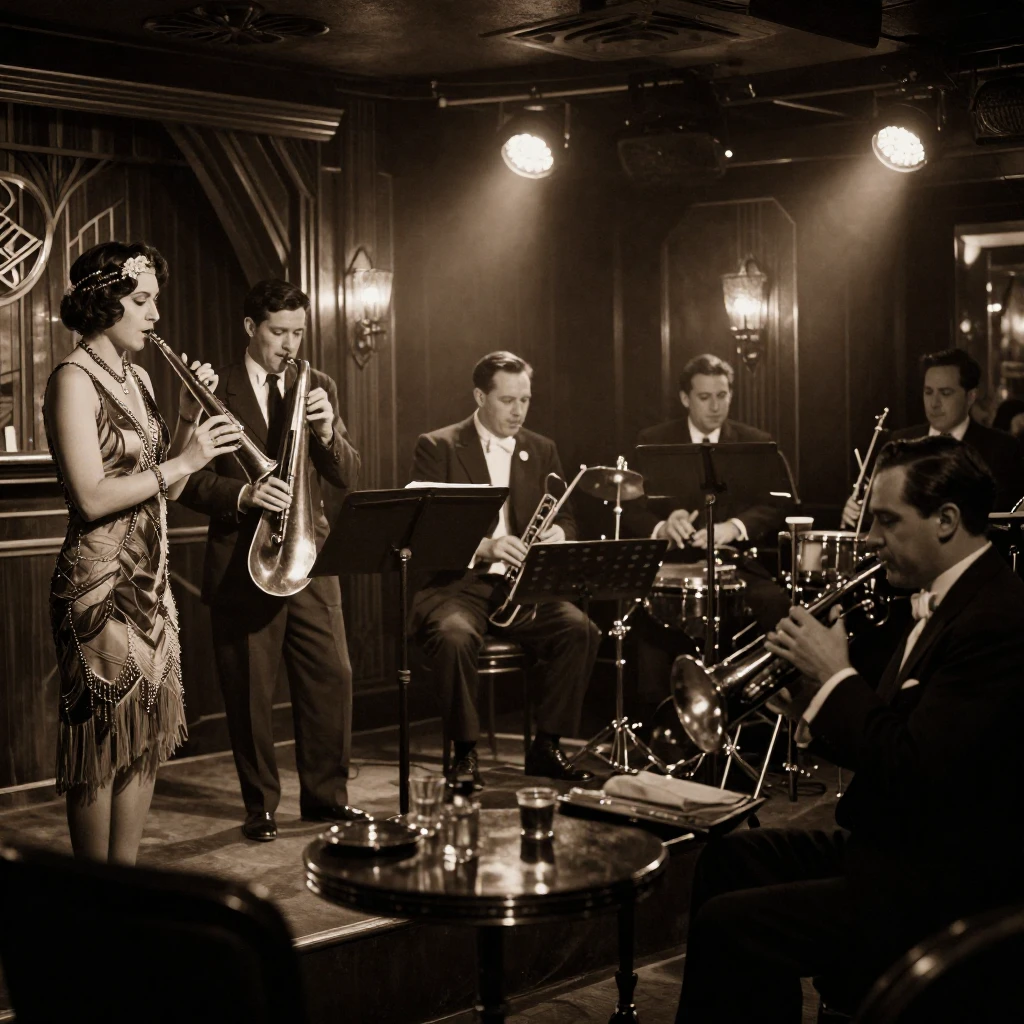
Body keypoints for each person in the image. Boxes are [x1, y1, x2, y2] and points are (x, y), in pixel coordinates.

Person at [675, 436, 1024, 1023]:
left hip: (948, 879)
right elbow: (888, 732)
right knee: (727, 861)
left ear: (946, 520)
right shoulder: (944, 598)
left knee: (729, 925)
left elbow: (913, 764)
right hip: (896, 846)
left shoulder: (997, 617)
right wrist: (810, 705)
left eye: (887, 521)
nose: (870, 539)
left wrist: (835, 677)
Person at [45, 241, 242, 863]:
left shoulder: (142, 378)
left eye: (156, 300)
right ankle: (92, 894)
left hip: (151, 584)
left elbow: (170, 489)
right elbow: (91, 497)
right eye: (142, 300)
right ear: (104, 302)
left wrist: (184, 422)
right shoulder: (72, 380)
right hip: (98, 584)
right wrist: (184, 460)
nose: (156, 314)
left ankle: (125, 883)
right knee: (100, 741)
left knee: (145, 733)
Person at [178, 279, 366, 841]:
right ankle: (260, 806)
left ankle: (327, 800)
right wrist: (243, 495)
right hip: (241, 562)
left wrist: (326, 431)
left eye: (298, 333)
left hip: (309, 560)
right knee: (249, 692)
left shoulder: (318, 384)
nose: (290, 345)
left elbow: (347, 475)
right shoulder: (214, 387)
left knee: (331, 679)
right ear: (250, 328)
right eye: (279, 332)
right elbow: (186, 480)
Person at [409, 351, 599, 788]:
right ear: (480, 397)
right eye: (507, 400)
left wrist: (560, 535)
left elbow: (567, 518)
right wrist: (486, 547)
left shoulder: (541, 448)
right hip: (459, 585)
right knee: (455, 637)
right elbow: (424, 530)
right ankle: (465, 753)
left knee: (581, 630)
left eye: (525, 400)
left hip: (523, 586)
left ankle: (547, 745)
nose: (519, 411)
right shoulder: (438, 446)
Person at [621, 353, 792, 721]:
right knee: (647, 612)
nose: (716, 406)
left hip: (734, 562)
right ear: (685, 398)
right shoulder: (653, 441)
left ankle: (765, 715)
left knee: (776, 602)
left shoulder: (755, 442)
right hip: (672, 565)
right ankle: (658, 720)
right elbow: (632, 509)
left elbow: (777, 504)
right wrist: (663, 527)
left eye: (722, 395)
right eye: (704, 397)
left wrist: (734, 527)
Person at [843, 348, 1024, 525]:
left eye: (945, 393)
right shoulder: (900, 443)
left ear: (970, 397)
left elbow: (1007, 520)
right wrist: (858, 512)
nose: (934, 403)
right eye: (928, 392)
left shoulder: (1003, 449)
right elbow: (879, 512)